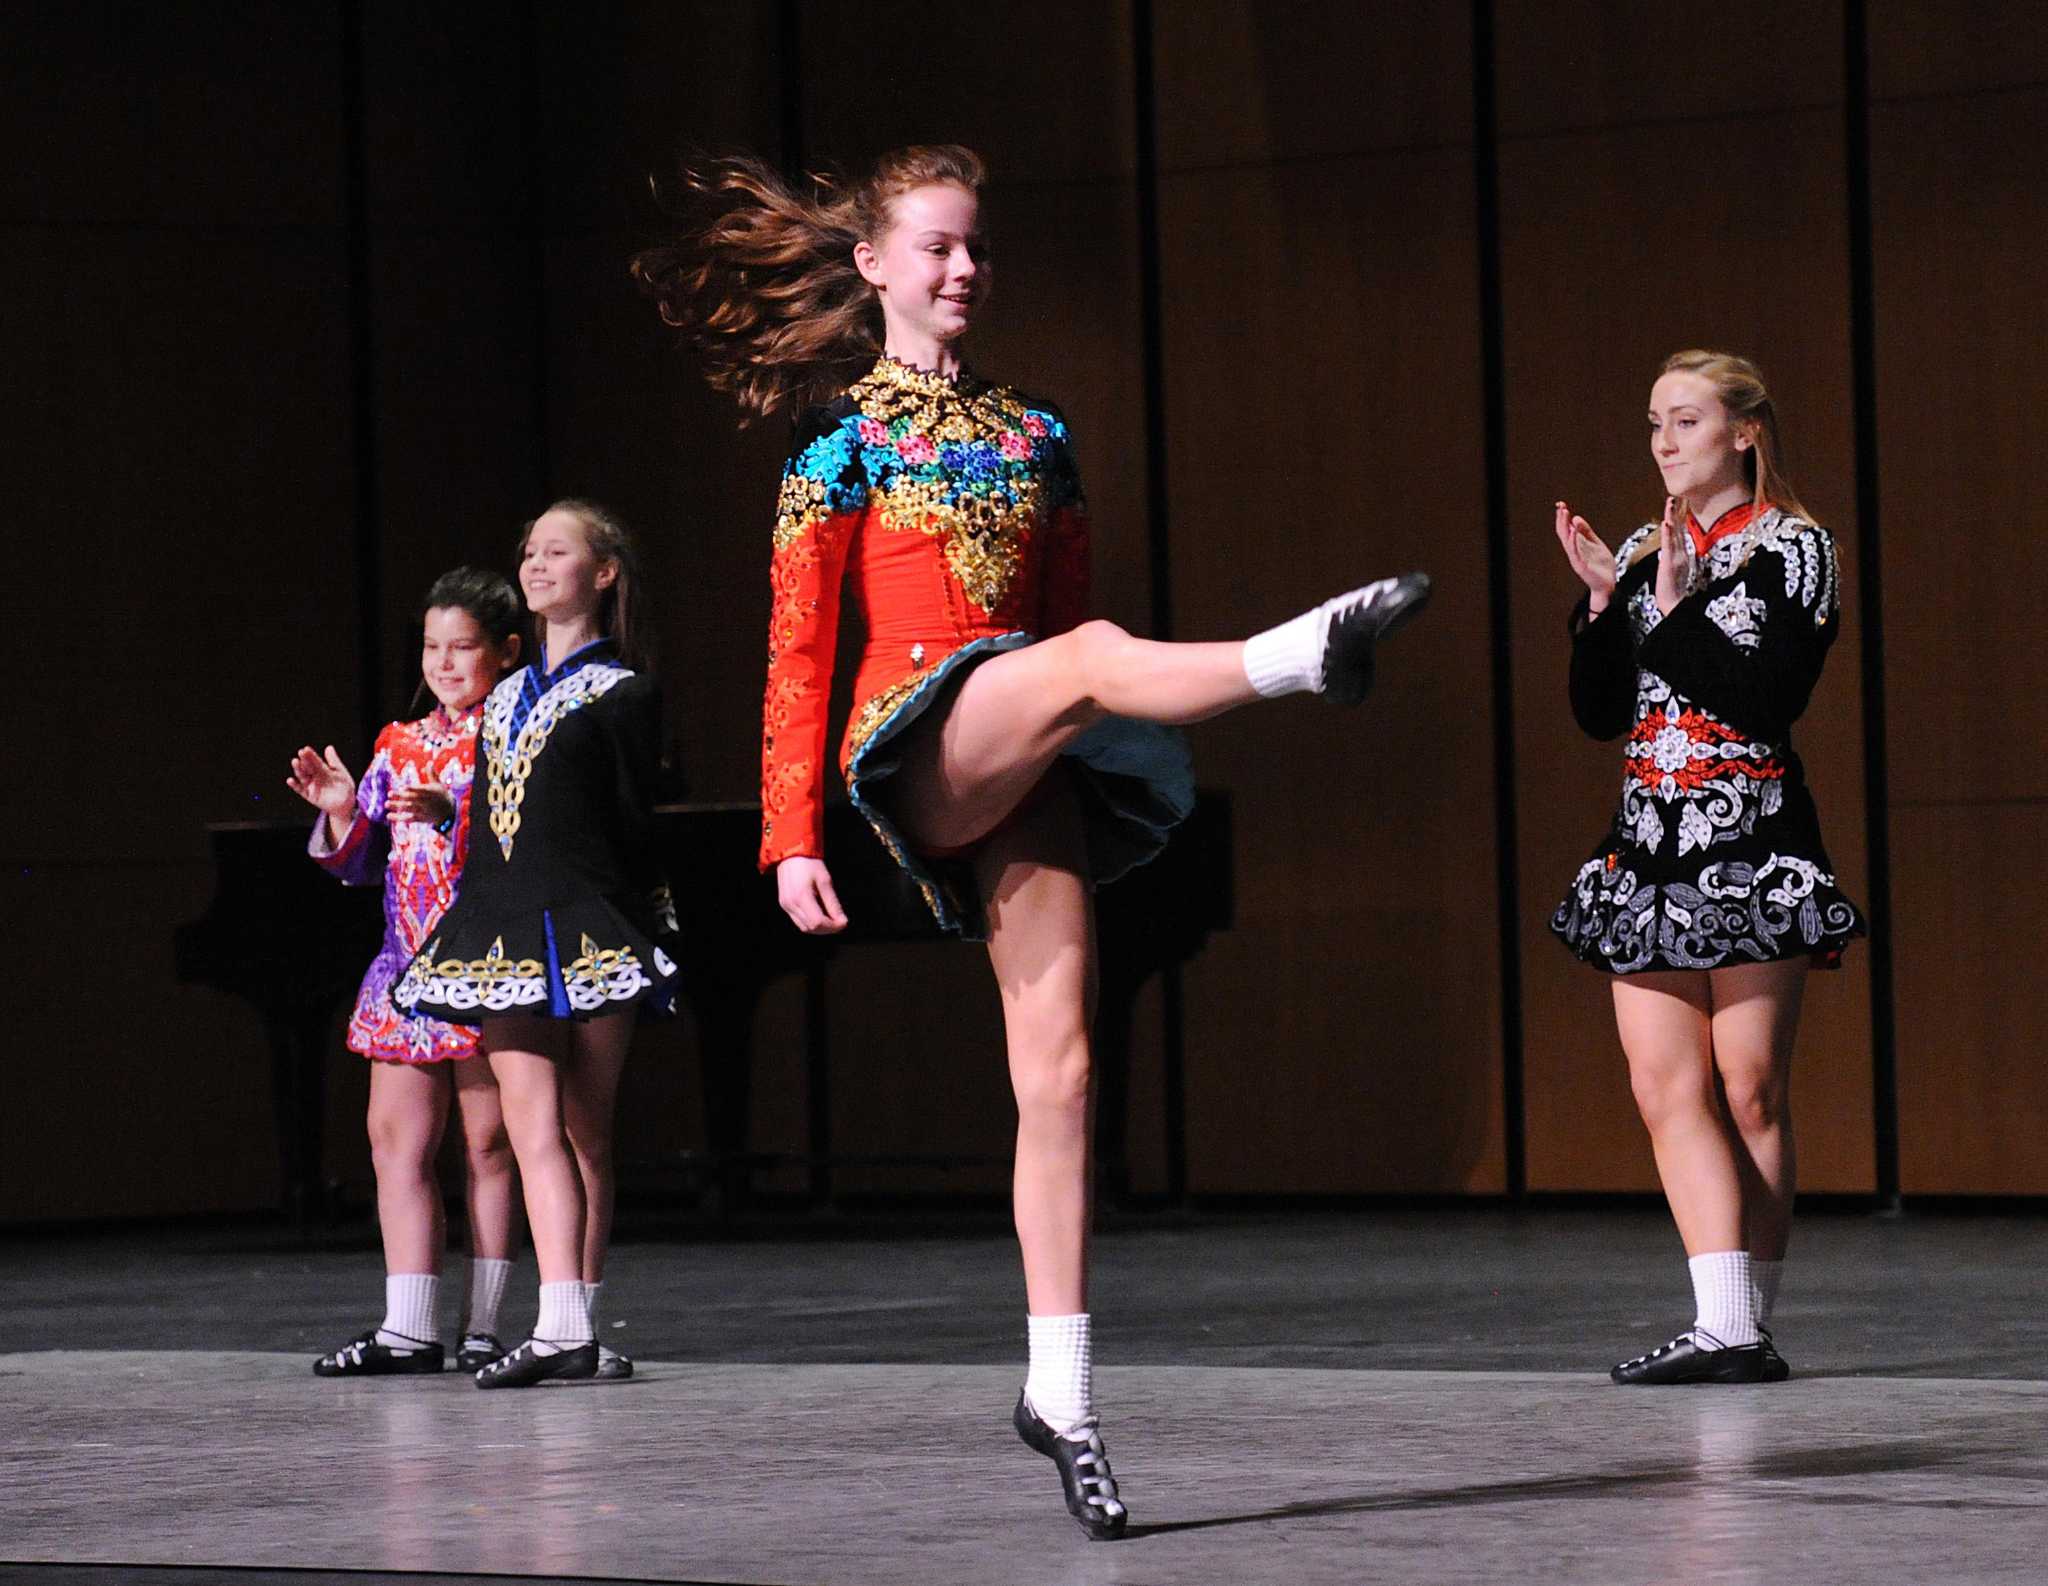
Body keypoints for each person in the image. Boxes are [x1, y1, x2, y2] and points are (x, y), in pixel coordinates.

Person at [633, 144, 1429, 1536]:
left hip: (1030, 727)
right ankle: (1299, 657)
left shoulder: (1033, 434)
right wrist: (787, 838)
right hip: (913, 749)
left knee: (1060, 1073)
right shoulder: (839, 445)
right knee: (1090, 655)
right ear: (875, 264)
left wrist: (1082, 701)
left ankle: (1059, 1388)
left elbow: (1067, 626)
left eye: (977, 250)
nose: (962, 270)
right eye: (936, 247)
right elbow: (798, 651)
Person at [1551, 349, 1865, 1385]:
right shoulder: (1644, 546)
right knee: (1660, 1082)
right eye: (1651, 423)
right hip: (1646, 845)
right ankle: (1720, 1322)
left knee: (1748, 1088)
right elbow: (1601, 711)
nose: (1662, 442)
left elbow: (1765, 696)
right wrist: (1604, 605)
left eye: (1683, 421)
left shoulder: (1795, 548)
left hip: (1750, 840)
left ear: (1741, 432)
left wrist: (1677, 611)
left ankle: (1748, 1322)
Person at [395, 502, 681, 1388]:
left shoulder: (625, 689)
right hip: (500, 921)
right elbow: (498, 809)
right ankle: (561, 1327)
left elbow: (634, 821)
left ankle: (578, 1322)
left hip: (589, 918)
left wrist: (651, 923)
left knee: (586, 1127)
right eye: (527, 551)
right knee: (532, 1125)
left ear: (603, 574)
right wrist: (451, 815)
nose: (535, 563)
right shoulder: (505, 693)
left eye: (557, 551)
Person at [287, 567, 525, 1377]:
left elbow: (533, 842)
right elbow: (364, 868)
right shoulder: (400, 740)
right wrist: (345, 810)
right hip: (408, 968)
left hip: (490, 969)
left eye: (465, 648)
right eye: (433, 647)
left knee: (490, 1147)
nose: (446, 663)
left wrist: (456, 813)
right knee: (397, 1145)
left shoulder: (519, 734)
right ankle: (409, 1326)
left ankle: (485, 1326)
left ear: (506, 651)